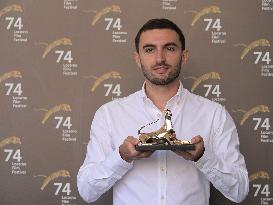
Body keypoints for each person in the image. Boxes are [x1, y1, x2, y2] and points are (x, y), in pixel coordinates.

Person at [77, 18, 249, 205]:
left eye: (170, 48)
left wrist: (203, 158)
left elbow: (239, 191)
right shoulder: (109, 114)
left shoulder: (214, 114)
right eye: (149, 49)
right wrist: (121, 157)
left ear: (184, 56)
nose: (160, 58)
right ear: (138, 58)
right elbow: (87, 191)